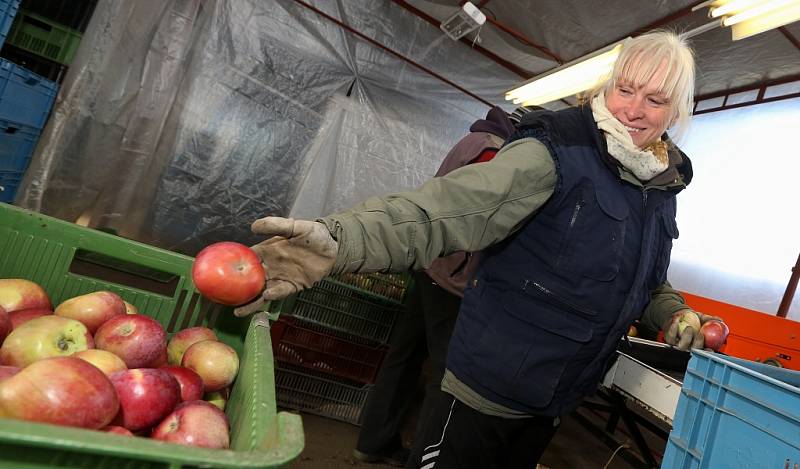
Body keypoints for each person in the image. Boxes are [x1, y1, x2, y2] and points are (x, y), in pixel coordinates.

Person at [236, 30, 727, 469]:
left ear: (677, 111)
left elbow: (643, 274)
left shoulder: (659, 184)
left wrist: (673, 311)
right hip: (485, 392)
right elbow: (447, 208)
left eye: (655, 99)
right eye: (625, 89)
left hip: (553, 399)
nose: (634, 110)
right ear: (607, 87)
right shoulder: (556, 152)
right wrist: (339, 241)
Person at [352, 106, 517, 466]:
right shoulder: (493, 154)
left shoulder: (473, 139)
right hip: (453, 279)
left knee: (405, 356)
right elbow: (476, 217)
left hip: (430, 266)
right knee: (446, 376)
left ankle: (373, 440)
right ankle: (425, 459)